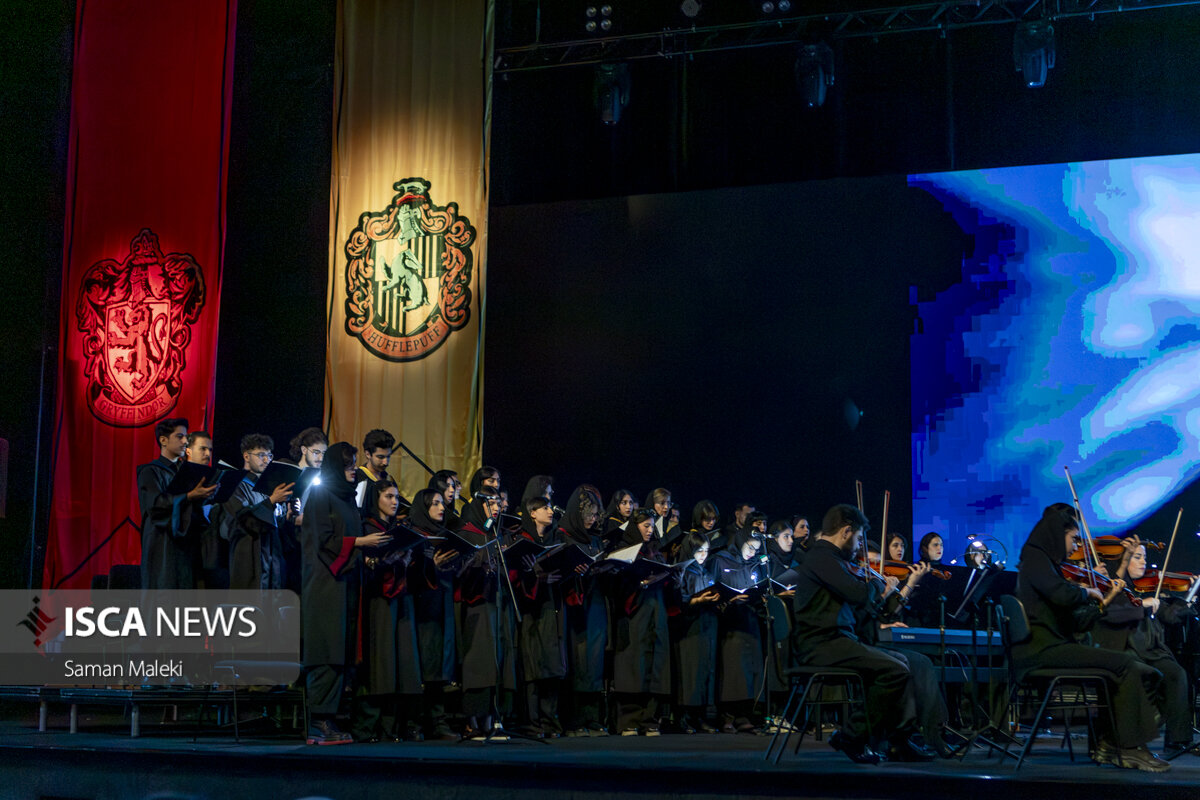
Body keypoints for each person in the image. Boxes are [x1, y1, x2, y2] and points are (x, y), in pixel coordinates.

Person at [1012, 504, 1168, 771]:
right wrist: (1086, 592)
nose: (1076, 546)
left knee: (1129, 669)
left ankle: (1109, 744)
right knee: (1124, 665)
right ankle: (1128, 748)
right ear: (1057, 534)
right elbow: (1062, 594)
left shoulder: (1047, 564)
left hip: (1050, 646)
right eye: (1073, 539)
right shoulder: (1035, 559)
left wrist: (1101, 602)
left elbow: (1074, 620)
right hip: (1041, 650)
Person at [791, 504, 935, 763]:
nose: (859, 545)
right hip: (822, 644)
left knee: (902, 662)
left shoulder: (834, 561)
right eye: (858, 538)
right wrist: (879, 587)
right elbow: (857, 593)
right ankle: (851, 735)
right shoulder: (822, 558)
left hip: (838, 641)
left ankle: (899, 740)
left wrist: (883, 593)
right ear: (846, 532)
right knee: (894, 670)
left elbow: (861, 604)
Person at [302, 441, 387, 745]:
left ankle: (331, 719)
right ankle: (318, 722)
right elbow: (323, 541)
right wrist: (360, 544)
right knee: (327, 650)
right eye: (349, 465)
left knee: (341, 651)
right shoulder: (320, 495)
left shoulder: (346, 497)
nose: (354, 470)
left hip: (346, 582)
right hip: (325, 585)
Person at [1096, 536, 1195, 756]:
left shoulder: (1144, 589)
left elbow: (1169, 616)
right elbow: (1113, 613)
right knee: (1153, 676)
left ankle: (1178, 740)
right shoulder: (1112, 585)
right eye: (1137, 557)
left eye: (1145, 557)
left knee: (1177, 673)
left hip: (1149, 648)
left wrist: (1188, 598)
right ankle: (1137, 732)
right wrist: (1142, 604)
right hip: (1125, 646)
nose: (1143, 562)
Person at [354, 476, 424, 743]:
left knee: (402, 660)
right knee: (380, 660)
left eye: (396, 497)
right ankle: (371, 726)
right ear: (376, 499)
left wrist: (406, 557)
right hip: (377, 601)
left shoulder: (398, 528)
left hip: (401, 598)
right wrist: (386, 560)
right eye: (389, 497)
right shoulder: (367, 527)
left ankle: (395, 725)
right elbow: (364, 565)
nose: (395, 502)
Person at [607, 508, 671, 736]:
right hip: (634, 615)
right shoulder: (623, 550)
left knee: (656, 666)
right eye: (645, 526)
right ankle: (629, 720)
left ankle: (649, 719)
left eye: (652, 526)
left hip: (656, 614)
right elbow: (615, 585)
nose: (650, 530)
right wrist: (640, 582)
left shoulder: (655, 551)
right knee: (633, 666)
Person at [407, 488, 460, 740]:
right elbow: (410, 576)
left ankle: (438, 721)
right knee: (423, 664)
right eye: (435, 503)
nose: (441, 508)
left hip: (442, 605)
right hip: (421, 609)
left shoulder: (445, 535)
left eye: (442, 503)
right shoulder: (414, 535)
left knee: (439, 664)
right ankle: (415, 721)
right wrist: (432, 565)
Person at [137, 417, 215, 590]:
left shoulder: (186, 471)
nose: (185, 441)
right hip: (162, 542)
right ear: (163, 440)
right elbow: (155, 505)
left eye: (186, 437)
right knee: (165, 590)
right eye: (179, 437)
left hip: (186, 542)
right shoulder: (150, 471)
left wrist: (206, 496)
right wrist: (188, 496)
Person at [556, 486, 609, 736]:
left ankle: (592, 717)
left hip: (595, 602)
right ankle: (574, 719)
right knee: (577, 662)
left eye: (596, 515)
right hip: (574, 606)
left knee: (594, 661)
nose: (593, 519)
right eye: (589, 514)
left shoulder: (595, 539)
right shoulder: (563, 536)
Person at [512, 495, 567, 738]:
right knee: (533, 667)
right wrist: (539, 578)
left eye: (550, 507)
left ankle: (549, 721)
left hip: (551, 607)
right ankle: (532, 722)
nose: (550, 511)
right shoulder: (522, 540)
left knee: (552, 666)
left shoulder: (554, 539)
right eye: (544, 508)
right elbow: (515, 578)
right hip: (531, 612)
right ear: (532, 513)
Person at [455, 488, 507, 738]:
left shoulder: (495, 534)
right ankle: (471, 720)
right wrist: (479, 564)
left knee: (492, 664)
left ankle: (489, 720)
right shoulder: (466, 534)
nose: (496, 508)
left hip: (494, 604)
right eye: (490, 504)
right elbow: (458, 573)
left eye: (498, 503)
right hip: (473, 606)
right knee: (476, 664)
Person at [709, 527, 767, 734]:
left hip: (749, 620)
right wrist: (728, 600)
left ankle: (744, 714)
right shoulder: (721, 560)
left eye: (756, 549)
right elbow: (711, 588)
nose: (752, 552)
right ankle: (727, 715)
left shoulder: (755, 564)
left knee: (749, 670)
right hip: (729, 622)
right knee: (732, 671)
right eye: (750, 547)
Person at [223, 434, 292, 590]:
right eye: (261, 455)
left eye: (269, 455)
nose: (267, 460)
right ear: (246, 456)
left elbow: (273, 522)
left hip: (270, 553)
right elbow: (244, 520)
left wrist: (285, 513)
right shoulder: (236, 484)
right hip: (248, 554)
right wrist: (271, 501)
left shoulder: (266, 486)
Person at [670, 532, 720, 734]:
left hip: (707, 625)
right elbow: (678, 601)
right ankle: (683, 717)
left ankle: (700, 716)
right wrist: (696, 600)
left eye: (706, 551)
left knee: (705, 671)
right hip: (689, 629)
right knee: (689, 672)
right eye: (699, 550)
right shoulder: (682, 571)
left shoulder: (706, 572)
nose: (703, 555)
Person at [355, 428, 395, 508]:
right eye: (381, 457)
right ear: (368, 454)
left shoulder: (388, 478)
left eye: (388, 457)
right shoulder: (358, 479)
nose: (386, 462)